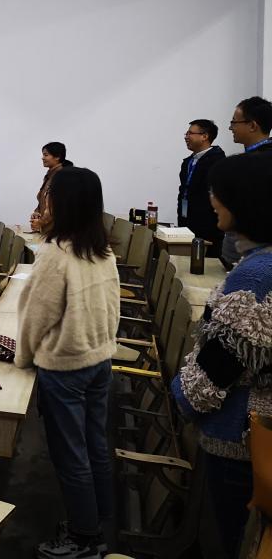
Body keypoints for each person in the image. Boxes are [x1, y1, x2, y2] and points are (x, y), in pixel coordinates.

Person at [16, 167, 119, 559]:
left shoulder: (56, 254)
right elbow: (113, 307)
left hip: (65, 369)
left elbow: (36, 316)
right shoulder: (102, 250)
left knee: (70, 455)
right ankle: (97, 520)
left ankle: (83, 536)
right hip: (99, 361)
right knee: (95, 446)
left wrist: (24, 357)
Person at [172, 153, 272, 559]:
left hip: (239, 439)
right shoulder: (259, 262)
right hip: (252, 433)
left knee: (235, 540)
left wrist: (177, 393)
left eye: (219, 193)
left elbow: (214, 372)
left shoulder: (257, 274)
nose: (212, 200)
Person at [221, 96, 272, 264]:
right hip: (238, 253)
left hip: (254, 258)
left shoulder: (263, 164)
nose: (230, 127)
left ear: (252, 126)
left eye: (234, 122)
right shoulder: (249, 160)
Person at [176, 118, 225, 255]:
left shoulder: (218, 162)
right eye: (186, 133)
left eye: (190, 133)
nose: (186, 137)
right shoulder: (188, 162)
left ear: (205, 136)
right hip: (186, 222)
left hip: (208, 229)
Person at [31, 142, 73, 231]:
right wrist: (37, 212)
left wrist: (40, 222)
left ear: (57, 157)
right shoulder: (49, 176)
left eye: (46, 155)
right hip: (48, 231)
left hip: (59, 232)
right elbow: (43, 200)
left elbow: (56, 206)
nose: (42, 158)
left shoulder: (62, 176)